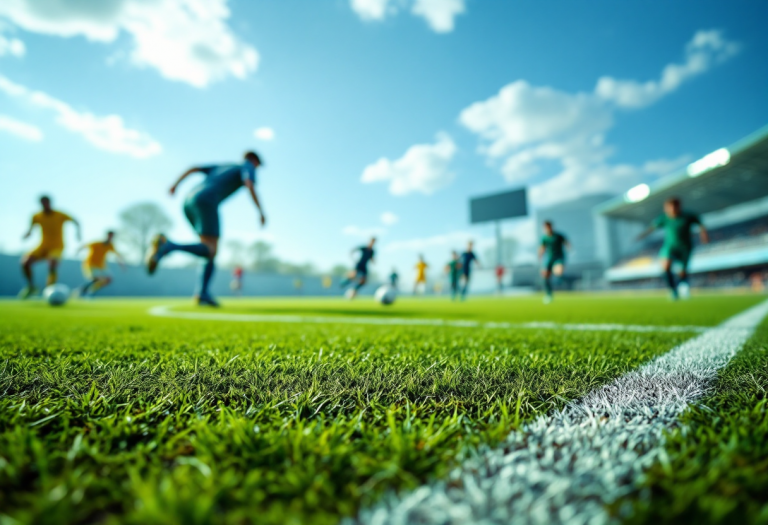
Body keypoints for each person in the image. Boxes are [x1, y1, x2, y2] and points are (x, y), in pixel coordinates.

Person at [146, 151, 266, 307]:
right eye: (258, 165)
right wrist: (260, 211)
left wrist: (176, 184)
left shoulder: (224, 166)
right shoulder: (247, 166)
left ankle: (202, 293)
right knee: (210, 249)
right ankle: (167, 246)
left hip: (189, 201)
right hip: (207, 200)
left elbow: (194, 168)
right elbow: (249, 182)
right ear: (254, 160)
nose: (256, 168)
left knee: (207, 251)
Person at [637, 197, 708, 300]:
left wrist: (704, 236)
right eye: (669, 208)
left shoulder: (688, 216)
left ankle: (683, 286)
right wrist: (642, 235)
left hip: (685, 247)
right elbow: (652, 228)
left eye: (674, 207)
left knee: (682, 272)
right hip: (669, 246)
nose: (672, 210)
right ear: (666, 208)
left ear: (679, 207)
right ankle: (673, 291)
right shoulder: (664, 218)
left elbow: (701, 225)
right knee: (665, 266)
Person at [20, 195, 81, 298]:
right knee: (25, 263)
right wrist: (28, 234)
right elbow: (31, 228)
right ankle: (31, 286)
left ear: (50, 202)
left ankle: (49, 289)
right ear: (40, 204)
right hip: (43, 246)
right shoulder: (36, 216)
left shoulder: (60, 214)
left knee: (52, 264)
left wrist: (78, 233)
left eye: (47, 202)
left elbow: (76, 221)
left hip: (57, 246)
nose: (45, 204)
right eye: (43, 202)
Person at [78, 231, 125, 297]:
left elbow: (117, 255)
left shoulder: (110, 245)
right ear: (107, 236)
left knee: (109, 279)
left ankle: (91, 291)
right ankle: (83, 290)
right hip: (91, 264)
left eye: (112, 236)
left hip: (101, 266)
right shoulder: (97, 243)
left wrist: (121, 264)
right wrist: (78, 251)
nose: (110, 238)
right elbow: (85, 246)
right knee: (96, 279)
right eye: (110, 236)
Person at [539, 220, 569, 304]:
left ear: (551, 227)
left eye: (548, 227)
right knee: (544, 276)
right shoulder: (544, 238)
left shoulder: (558, 236)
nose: (546, 229)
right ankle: (549, 294)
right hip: (549, 258)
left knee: (558, 272)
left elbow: (566, 242)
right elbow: (542, 248)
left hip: (558, 257)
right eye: (545, 227)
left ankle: (560, 279)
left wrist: (569, 247)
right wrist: (540, 256)